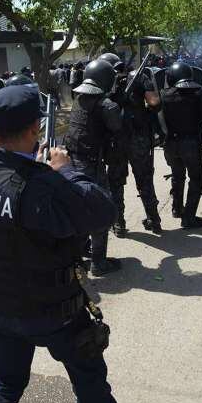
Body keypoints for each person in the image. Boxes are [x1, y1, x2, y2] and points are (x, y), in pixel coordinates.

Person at [0, 85, 136, 403]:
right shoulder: (41, 184)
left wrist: (40, 172)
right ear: (33, 130)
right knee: (87, 371)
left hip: (1, 306)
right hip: (54, 309)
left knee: (7, 380)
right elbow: (101, 213)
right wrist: (66, 171)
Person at [63, 59, 123, 276]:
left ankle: (76, 259)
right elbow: (118, 127)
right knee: (100, 208)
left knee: (78, 210)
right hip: (91, 164)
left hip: (72, 162)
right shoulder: (107, 105)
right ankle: (98, 263)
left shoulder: (80, 98)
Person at [104, 53, 162, 237]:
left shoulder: (104, 83)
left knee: (115, 183)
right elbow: (154, 102)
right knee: (145, 179)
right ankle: (154, 220)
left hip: (116, 140)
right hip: (138, 138)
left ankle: (118, 224)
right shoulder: (139, 77)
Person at [160, 62, 202, 228]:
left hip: (170, 143)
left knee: (177, 175)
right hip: (190, 143)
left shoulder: (165, 95)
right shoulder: (199, 93)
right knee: (195, 178)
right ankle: (188, 217)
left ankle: (177, 208)